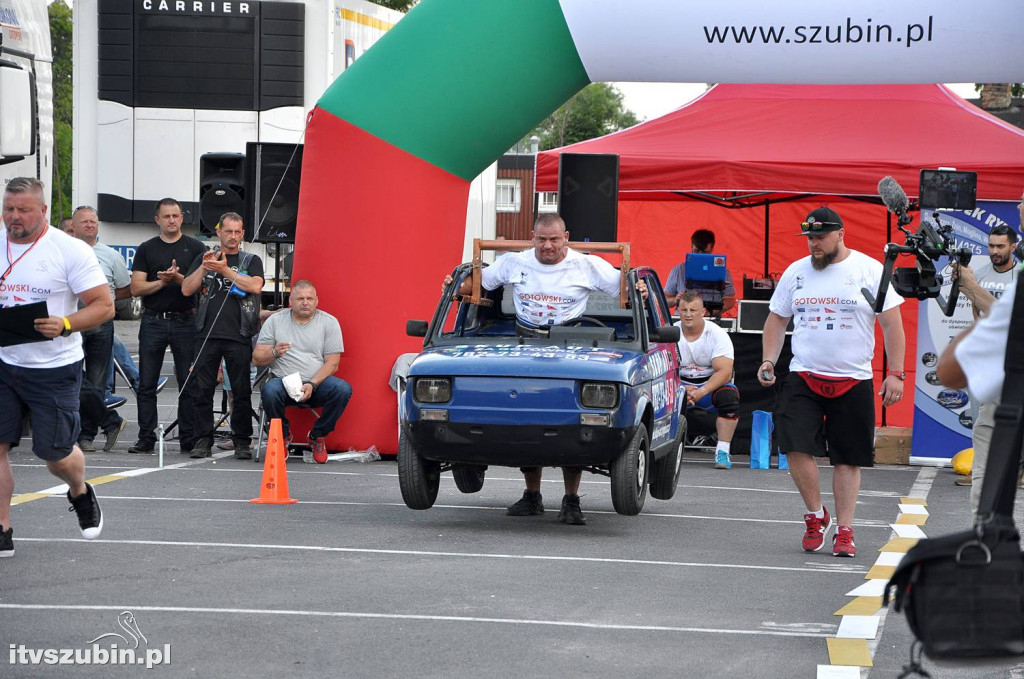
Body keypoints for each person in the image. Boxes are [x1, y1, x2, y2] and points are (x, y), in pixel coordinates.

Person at [447, 213, 646, 525]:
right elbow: (479, 283)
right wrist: (458, 284)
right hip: (524, 341)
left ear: (566, 237)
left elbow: (625, 289)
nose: (548, 246)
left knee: (572, 425)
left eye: (554, 239)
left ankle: (571, 500)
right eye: (542, 239)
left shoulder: (586, 264)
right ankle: (532, 496)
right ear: (532, 238)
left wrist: (639, 291)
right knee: (528, 419)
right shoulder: (515, 262)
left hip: (572, 343)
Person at [758, 207, 905, 558]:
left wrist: (896, 373)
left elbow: (892, 325)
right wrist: (768, 359)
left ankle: (845, 529)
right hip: (804, 375)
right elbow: (777, 321)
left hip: (853, 378)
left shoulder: (869, 270)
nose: (814, 244)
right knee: (794, 446)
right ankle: (815, 515)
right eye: (809, 238)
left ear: (841, 233)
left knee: (847, 458)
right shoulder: (796, 272)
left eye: (820, 237)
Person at [0, 177, 112, 557]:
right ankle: (2, 527)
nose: (14, 217)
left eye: (23, 209)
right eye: (8, 209)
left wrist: (65, 323)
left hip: (54, 367)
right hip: (4, 362)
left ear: (43, 210)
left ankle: (80, 490)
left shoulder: (69, 251)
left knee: (55, 456)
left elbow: (104, 305)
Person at [944, 200, 1022, 505]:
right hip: (995, 369)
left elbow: (1009, 318)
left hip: (1013, 367)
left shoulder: (1016, 273)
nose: (994, 251)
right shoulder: (980, 272)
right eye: (990, 245)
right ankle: (987, 522)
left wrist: (971, 286)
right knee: (985, 433)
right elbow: (978, 317)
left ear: (1013, 246)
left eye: (1000, 245)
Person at [181, 213, 264, 459]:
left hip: (238, 333)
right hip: (206, 332)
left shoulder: (251, 259)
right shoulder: (206, 257)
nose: (233, 237)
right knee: (202, 388)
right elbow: (187, 289)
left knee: (241, 390)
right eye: (229, 231)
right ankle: (202, 440)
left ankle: (242, 440)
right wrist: (205, 267)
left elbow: (255, 286)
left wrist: (225, 269)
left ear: (243, 233)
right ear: (219, 232)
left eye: (238, 232)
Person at [128, 199, 205, 455]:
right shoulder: (146, 249)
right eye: (167, 216)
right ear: (157, 220)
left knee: (188, 382)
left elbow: (201, 286)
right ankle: (145, 438)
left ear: (182, 218)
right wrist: (161, 282)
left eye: (176, 215)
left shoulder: (196, 248)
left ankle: (188, 437)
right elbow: (136, 288)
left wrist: (177, 278)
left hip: (186, 319)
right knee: (146, 383)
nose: (172, 220)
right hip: (153, 320)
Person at [253, 280, 351, 463]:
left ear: (317, 301)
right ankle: (281, 436)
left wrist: (312, 384)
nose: (305, 302)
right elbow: (257, 357)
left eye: (309, 298)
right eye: (300, 298)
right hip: (283, 381)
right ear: (291, 300)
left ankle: (317, 436)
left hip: (316, 383)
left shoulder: (329, 322)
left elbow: (333, 364)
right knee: (270, 390)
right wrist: (274, 352)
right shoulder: (275, 320)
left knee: (342, 389)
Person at [71, 205, 131, 452]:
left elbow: (125, 289)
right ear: (73, 226)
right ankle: (110, 421)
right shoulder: (64, 251)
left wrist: (103, 304)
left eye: (93, 221)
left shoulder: (110, 255)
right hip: (71, 322)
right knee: (72, 376)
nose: (89, 225)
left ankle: (86, 436)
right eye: (84, 221)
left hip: (100, 324)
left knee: (96, 381)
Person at [674, 291, 740, 469]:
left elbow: (725, 372)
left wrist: (701, 391)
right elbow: (663, 368)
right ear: (677, 311)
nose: (688, 314)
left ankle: (723, 452)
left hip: (708, 387)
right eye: (684, 310)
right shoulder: (670, 332)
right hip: (679, 385)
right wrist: (680, 388)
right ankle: (664, 450)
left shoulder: (717, 334)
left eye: (693, 310)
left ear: (702, 312)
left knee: (729, 396)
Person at [664, 229, 736, 314]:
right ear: (691, 247)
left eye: (705, 252)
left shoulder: (723, 272)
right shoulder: (678, 270)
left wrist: (710, 312)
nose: (700, 255)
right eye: (696, 251)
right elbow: (664, 300)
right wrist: (676, 299)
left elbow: (730, 300)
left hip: (711, 320)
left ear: (712, 248)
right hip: (683, 321)